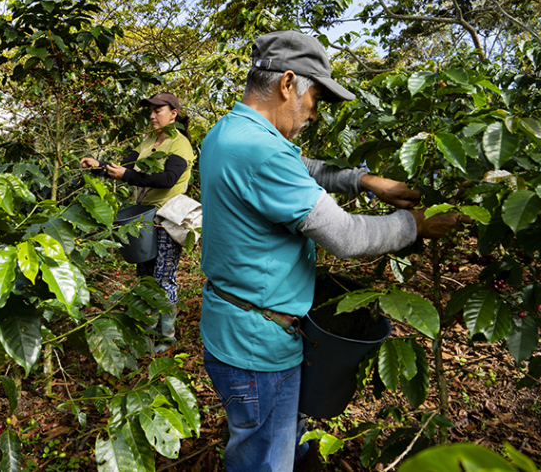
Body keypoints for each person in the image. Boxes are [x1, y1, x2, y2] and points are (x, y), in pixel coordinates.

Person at [198, 31, 460, 472]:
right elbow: (346, 236)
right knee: (264, 460)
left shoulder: (230, 131)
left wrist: (363, 180)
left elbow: (299, 166)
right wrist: (416, 225)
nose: (314, 114)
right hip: (258, 344)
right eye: (315, 99)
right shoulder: (259, 151)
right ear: (287, 84)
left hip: (236, 323)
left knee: (276, 439)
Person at [80, 92, 195, 352]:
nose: (152, 116)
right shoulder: (148, 142)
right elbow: (124, 167)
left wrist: (127, 175)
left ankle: (167, 338)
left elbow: (167, 179)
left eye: (158, 110)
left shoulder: (180, 144)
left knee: (163, 277)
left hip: (168, 218)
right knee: (145, 277)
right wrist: (99, 165)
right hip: (143, 217)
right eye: (150, 111)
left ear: (173, 114)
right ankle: (148, 332)